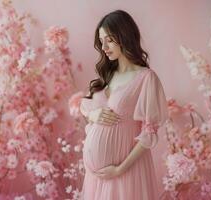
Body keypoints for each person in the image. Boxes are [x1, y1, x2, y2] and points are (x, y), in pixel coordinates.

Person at [79, 9, 168, 200]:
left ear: (124, 37)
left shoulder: (146, 78)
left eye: (109, 40)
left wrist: (119, 169)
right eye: (101, 41)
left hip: (125, 172)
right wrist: (92, 115)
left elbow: (149, 133)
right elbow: (85, 105)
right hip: (96, 178)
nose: (103, 47)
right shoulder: (108, 75)